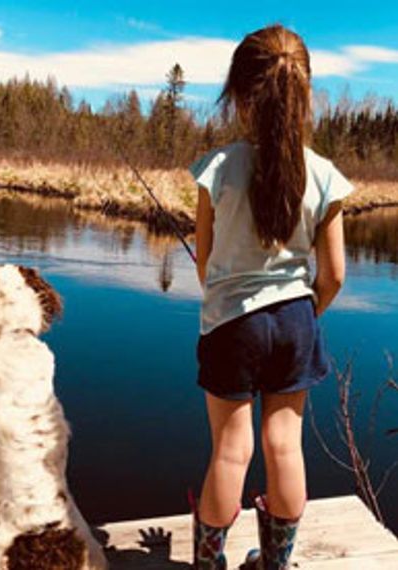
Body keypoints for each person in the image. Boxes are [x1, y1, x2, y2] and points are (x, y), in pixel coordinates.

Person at [188, 23, 355, 570]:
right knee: (285, 445)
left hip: (233, 327)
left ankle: (210, 563)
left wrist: (230, 298)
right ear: (304, 94)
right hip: (294, 322)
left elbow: (208, 266)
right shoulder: (327, 176)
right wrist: (305, 314)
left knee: (231, 450)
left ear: (237, 95)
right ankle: (274, 563)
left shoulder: (216, 169)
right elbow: (332, 274)